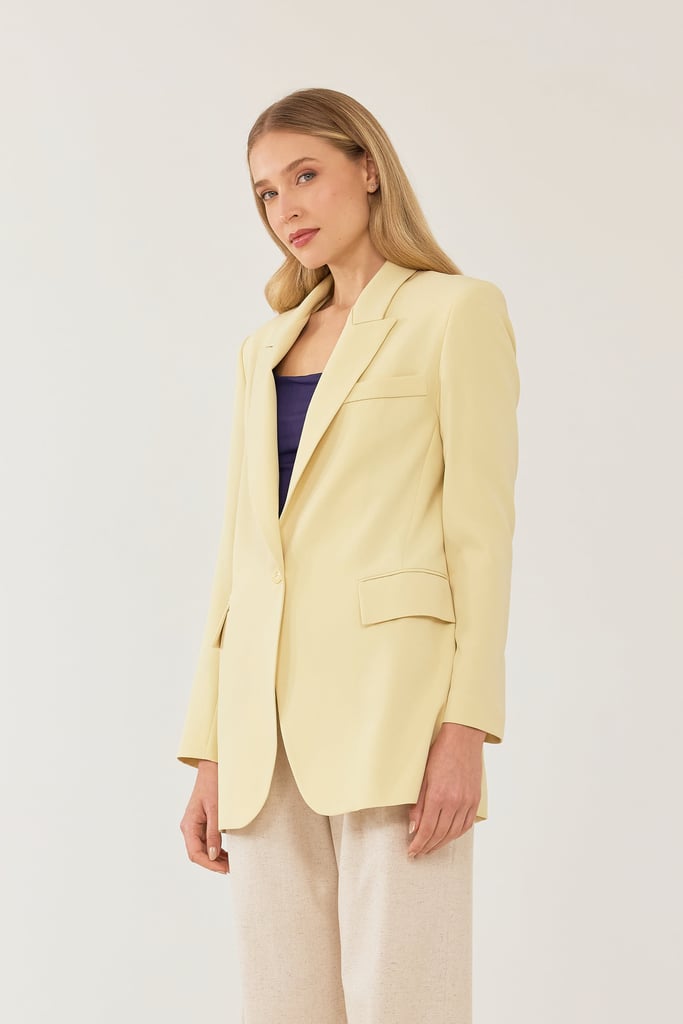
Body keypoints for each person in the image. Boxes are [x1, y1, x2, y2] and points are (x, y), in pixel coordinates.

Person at [177, 86, 520, 1024]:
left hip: (396, 713)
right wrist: (209, 749)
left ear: (367, 169)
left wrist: (467, 728)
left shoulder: (454, 312)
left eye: (304, 175)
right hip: (261, 732)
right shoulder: (262, 349)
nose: (285, 208)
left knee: (406, 1000)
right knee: (282, 1006)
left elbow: (480, 536)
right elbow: (238, 557)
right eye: (265, 192)